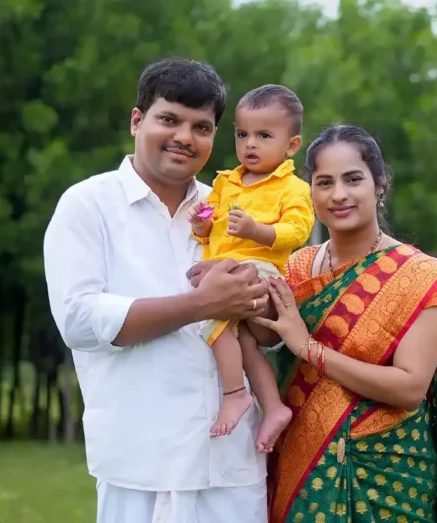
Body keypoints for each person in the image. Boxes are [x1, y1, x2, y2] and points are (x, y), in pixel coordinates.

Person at [188, 124, 437, 523]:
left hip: (387, 476)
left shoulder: (420, 279)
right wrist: (234, 279)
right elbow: (261, 334)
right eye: (324, 182)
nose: (338, 194)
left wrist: (309, 349)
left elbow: (410, 388)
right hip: (302, 471)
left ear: (379, 184)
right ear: (310, 192)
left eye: (353, 179)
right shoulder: (296, 266)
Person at [44, 58, 271, 523]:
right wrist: (199, 305)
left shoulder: (231, 210)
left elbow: (268, 332)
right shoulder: (88, 205)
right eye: (169, 119)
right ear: (136, 120)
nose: (184, 137)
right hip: (139, 466)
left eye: (201, 127)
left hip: (230, 466)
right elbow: (80, 321)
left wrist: (260, 304)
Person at [188, 84, 315, 450]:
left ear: (292, 145)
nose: (250, 144)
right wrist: (201, 225)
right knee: (243, 342)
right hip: (225, 266)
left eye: (264, 136)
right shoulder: (226, 182)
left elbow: (298, 231)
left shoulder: (292, 188)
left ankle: (235, 394)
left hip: (260, 270)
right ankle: (273, 406)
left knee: (210, 318)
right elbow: (210, 226)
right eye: (242, 134)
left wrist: (256, 230)